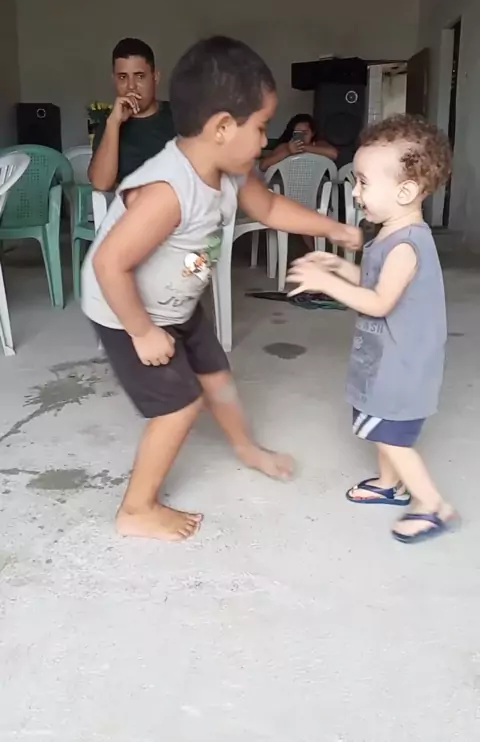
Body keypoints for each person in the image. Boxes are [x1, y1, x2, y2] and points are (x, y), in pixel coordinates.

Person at [81, 35, 362, 543]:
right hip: (126, 308)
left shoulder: (231, 168)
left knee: (216, 376)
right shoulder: (168, 190)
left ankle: (245, 447)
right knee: (180, 406)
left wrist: (336, 229)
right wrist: (142, 332)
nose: (264, 140)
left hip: (177, 300)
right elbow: (108, 263)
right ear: (222, 127)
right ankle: (136, 509)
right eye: (260, 127)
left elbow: (270, 208)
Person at [287, 114, 458, 544]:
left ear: (405, 192)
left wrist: (327, 284)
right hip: (387, 358)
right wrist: (338, 267)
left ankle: (432, 505)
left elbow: (380, 301)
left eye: (363, 183)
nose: (355, 191)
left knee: (393, 436)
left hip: (403, 365)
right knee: (381, 427)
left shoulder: (406, 245)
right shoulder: (387, 235)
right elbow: (372, 282)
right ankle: (389, 485)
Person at [88, 38, 175, 191]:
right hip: (130, 204)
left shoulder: (181, 116)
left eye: (140, 76)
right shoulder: (110, 125)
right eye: (123, 77)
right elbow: (101, 184)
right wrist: (113, 123)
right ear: (114, 80)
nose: (131, 86)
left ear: (155, 77)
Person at [258, 113, 337, 173]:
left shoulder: (318, 144)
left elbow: (334, 154)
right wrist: (288, 151)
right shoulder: (285, 146)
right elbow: (263, 166)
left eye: (305, 133)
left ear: (312, 133)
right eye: (297, 133)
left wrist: (303, 147)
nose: (301, 136)